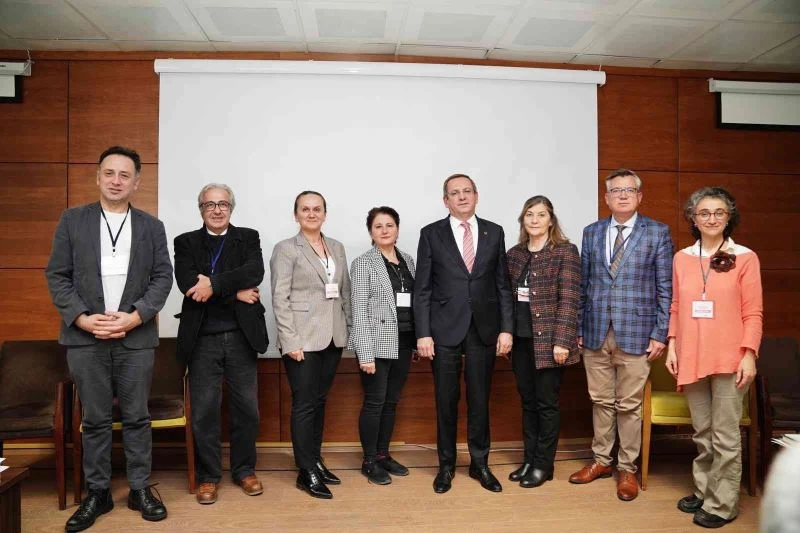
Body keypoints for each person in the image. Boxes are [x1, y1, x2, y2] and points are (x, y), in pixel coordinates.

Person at [45, 146, 172, 531]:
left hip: (135, 337)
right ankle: (97, 492)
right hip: (86, 338)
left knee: (137, 417)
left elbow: (162, 278)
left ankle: (138, 488)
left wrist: (134, 317)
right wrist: (84, 320)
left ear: (137, 181)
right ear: (98, 177)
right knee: (96, 419)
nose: (116, 181)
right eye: (109, 173)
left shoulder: (151, 226)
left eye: (124, 175)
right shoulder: (73, 220)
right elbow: (58, 276)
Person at [570, 168, 673, 502]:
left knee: (629, 405)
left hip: (639, 333)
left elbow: (665, 287)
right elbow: (584, 284)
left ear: (640, 196)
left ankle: (626, 468)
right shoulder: (592, 232)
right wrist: (581, 326)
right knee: (600, 400)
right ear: (607, 197)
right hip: (596, 332)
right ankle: (601, 461)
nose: (623, 195)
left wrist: (660, 333)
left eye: (629, 190)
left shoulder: (657, 232)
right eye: (616, 190)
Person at [665, 187, 762, 528]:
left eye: (719, 212)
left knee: (724, 434)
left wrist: (748, 354)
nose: (711, 218)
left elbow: (753, 313)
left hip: (729, 357)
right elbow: (676, 306)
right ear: (693, 217)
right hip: (692, 354)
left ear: (729, 217)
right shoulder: (682, 258)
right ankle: (706, 491)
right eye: (704, 212)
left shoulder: (746, 257)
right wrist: (673, 345)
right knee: (702, 431)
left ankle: (723, 504)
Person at [414, 173, 514, 494]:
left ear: (476, 195)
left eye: (466, 191)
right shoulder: (431, 234)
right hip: (443, 330)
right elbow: (423, 288)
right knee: (446, 400)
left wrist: (506, 329)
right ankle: (445, 466)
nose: (461, 197)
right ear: (446, 200)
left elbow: (502, 285)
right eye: (454, 193)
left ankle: (480, 463)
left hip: (484, 329)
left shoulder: (494, 232)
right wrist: (423, 333)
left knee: (479, 399)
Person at [174, 183, 269, 505]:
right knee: (204, 411)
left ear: (232, 208)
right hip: (202, 340)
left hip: (242, 337)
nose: (217, 209)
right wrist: (235, 291)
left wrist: (213, 283)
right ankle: (208, 476)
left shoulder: (248, 237)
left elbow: (254, 271)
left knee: (248, 410)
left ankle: (244, 470)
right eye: (210, 204)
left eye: (223, 204)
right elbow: (189, 286)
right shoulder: (185, 242)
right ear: (200, 209)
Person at [270, 191, 352, 499]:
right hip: (301, 340)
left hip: (332, 337)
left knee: (319, 402)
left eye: (317, 209)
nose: (312, 213)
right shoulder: (286, 249)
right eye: (305, 209)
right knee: (304, 405)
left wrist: (348, 330)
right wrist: (290, 340)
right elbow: (280, 298)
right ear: (296, 215)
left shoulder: (337, 248)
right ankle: (305, 471)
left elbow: (343, 292)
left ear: (325, 214)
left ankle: (315, 460)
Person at [505, 196, 581, 488]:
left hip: (551, 343)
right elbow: (508, 299)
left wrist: (562, 341)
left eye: (541, 214)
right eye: (529, 215)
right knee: (528, 404)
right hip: (521, 342)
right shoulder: (514, 254)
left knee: (546, 404)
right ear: (523, 220)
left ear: (551, 219)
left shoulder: (565, 251)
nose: (534, 220)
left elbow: (570, 299)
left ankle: (543, 465)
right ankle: (529, 460)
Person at [349, 206, 416, 485]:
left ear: (398, 229)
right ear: (370, 232)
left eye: (390, 225)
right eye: (378, 226)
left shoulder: (409, 261)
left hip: (404, 340)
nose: (385, 230)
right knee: (375, 402)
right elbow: (359, 310)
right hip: (375, 344)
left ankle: (382, 455)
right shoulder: (363, 263)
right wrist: (364, 353)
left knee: (391, 402)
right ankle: (368, 460)